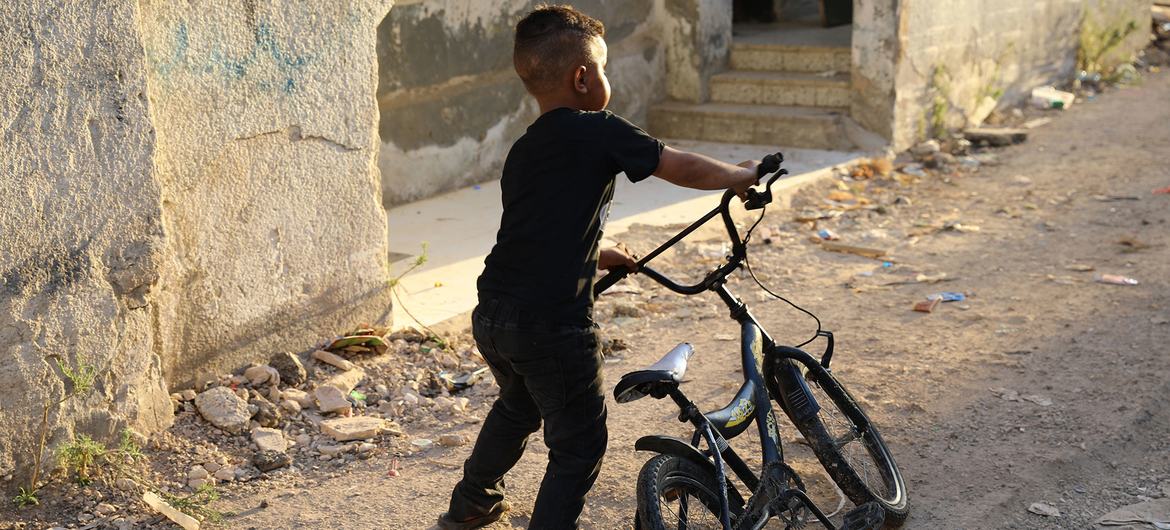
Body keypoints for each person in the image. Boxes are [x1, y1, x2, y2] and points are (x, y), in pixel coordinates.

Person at [439, 5, 763, 529]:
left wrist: (594, 255)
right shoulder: (597, 129)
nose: (606, 79)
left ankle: (472, 502)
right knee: (580, 443)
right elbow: (675, 163)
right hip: (553, 324)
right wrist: (739, 175)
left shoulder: (525, 148)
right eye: (605, 69)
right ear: (583, 78)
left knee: (518, 407)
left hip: (495, 314)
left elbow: (538, 232)